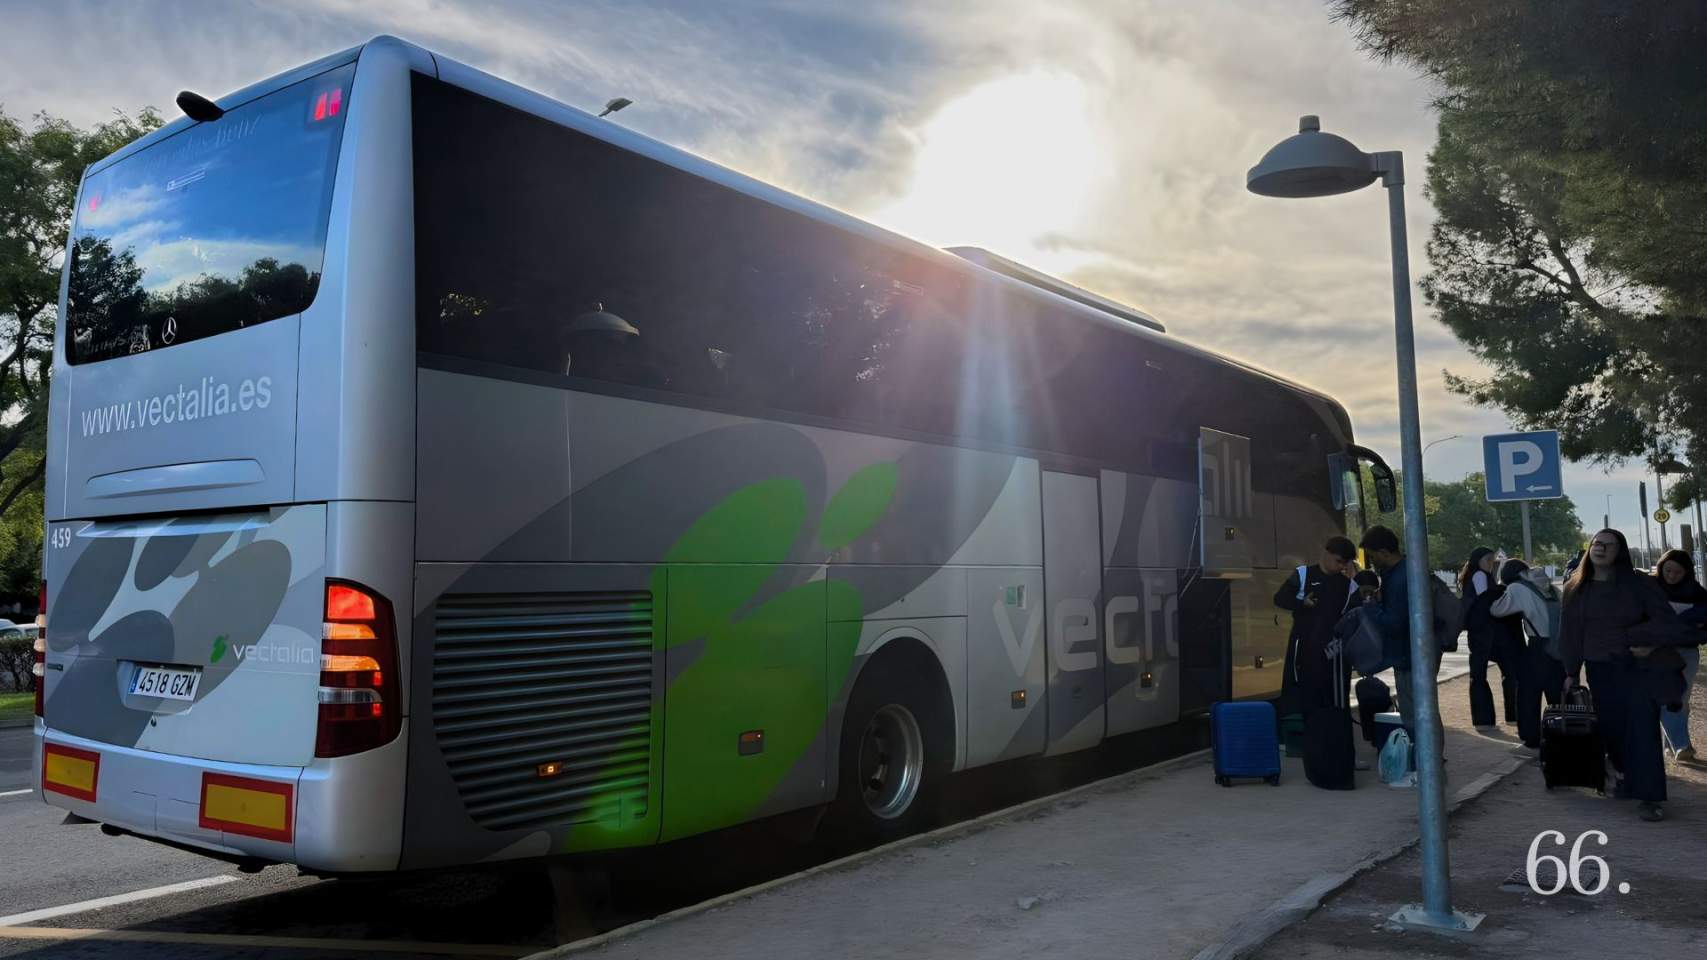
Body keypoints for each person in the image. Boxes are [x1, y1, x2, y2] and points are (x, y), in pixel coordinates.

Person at [1560, 529, 1694, 821]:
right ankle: (1621, 774)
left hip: (1637, 669)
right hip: (1601, 670)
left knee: (1643, 729)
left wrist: (1647, 642)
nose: (1601, 548)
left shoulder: (1639, 584)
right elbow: (1569, 634)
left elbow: (1667, 622)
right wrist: (1570, 672)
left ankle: (1649, 797)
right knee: (1612, 729)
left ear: (1619, 551)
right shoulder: (1575, 587)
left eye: (1609, 545)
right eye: (1597, 543)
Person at [1359, 525, 1443, 755]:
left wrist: (1371, 607)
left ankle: (1428, 765)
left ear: (1384, 552)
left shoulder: (1400, 578)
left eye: (1374, 555)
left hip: (1409, 655)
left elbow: (1394, 622)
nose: (1373, 561)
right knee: (1423, 712)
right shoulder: (1405, 571)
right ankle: (1431, 762)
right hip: (1414, 652)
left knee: (1416, 715)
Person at [1274, 536, 1357, 713]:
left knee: (1332, 702)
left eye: (1346, 564)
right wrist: (1301, 603)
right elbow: (1280, 598)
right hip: (1303, 650)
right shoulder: (1303, 574)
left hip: (1334, 655)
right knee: (1302, 697)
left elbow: (1355, 615)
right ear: (1327, 553)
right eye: (1339, 561)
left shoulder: (1348, 585)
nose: (1342, 567)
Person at [1490, 558, 1565, 749]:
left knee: (1529, 694)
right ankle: (1561, 736)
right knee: (1557, 695)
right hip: (1560, 646)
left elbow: (1497, 610)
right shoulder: (1550, 587)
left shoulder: (1517, 588)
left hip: (1537, 646)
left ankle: (1532, 738)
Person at [1460, 546, 1524, 729]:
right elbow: (1486, 599)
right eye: (1487, 560)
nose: (1490, 563)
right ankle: (1512, 715)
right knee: (1506, 673)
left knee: (1479, 674)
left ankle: (1484, 719)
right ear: (1477, 561)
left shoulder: (1477, 576)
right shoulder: (1480, 576)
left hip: (1481, 632)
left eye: (1492, 560)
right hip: (1488, 632)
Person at [1653, 549, 1707, 763]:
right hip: (1658, 651)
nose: (1672, 576)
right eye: (1668, 570)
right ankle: (1681, 746)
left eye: (1678, 572)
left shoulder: (1698, 593)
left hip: (1687, 651)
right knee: (1669, 698)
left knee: (1681, 698)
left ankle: (1671, 744)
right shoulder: (1651, 589)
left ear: (1687, 572)